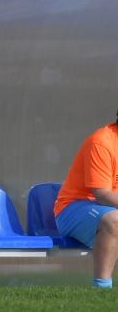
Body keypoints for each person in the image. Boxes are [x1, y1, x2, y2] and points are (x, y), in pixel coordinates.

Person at [54, 110, 118, 288]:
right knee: (114, 221)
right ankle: (102, 288)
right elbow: (102, 194)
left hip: (109, 208)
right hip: (73, 207)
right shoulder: (102, 142)